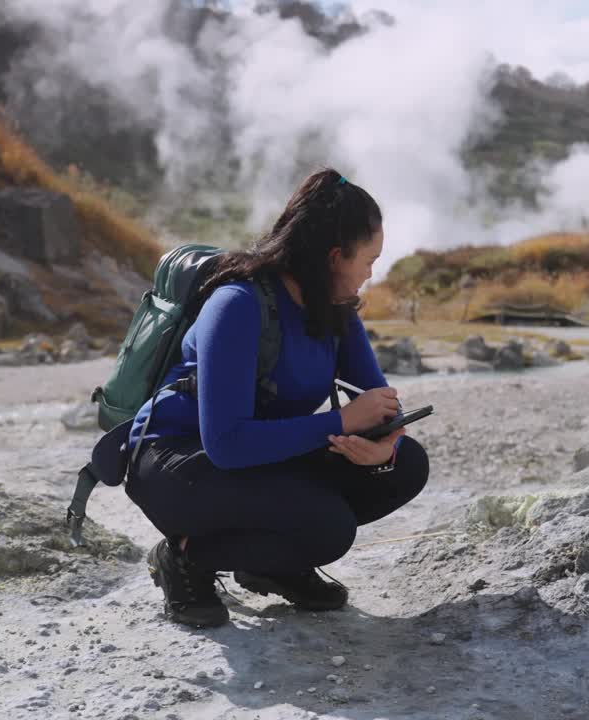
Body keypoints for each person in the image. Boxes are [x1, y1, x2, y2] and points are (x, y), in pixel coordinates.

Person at [124, 168, 429, 627]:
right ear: (333, 256)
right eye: (368, 260)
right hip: (179, 462)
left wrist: (383, 448)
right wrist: (341, 424)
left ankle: (270, 562)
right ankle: (185, 557)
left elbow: (378, 403)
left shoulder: (336, 312)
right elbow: (227, 444)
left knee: (406, 466)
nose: (372, 273)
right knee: (328, 527)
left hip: (255, 458)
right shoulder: (238, 304)